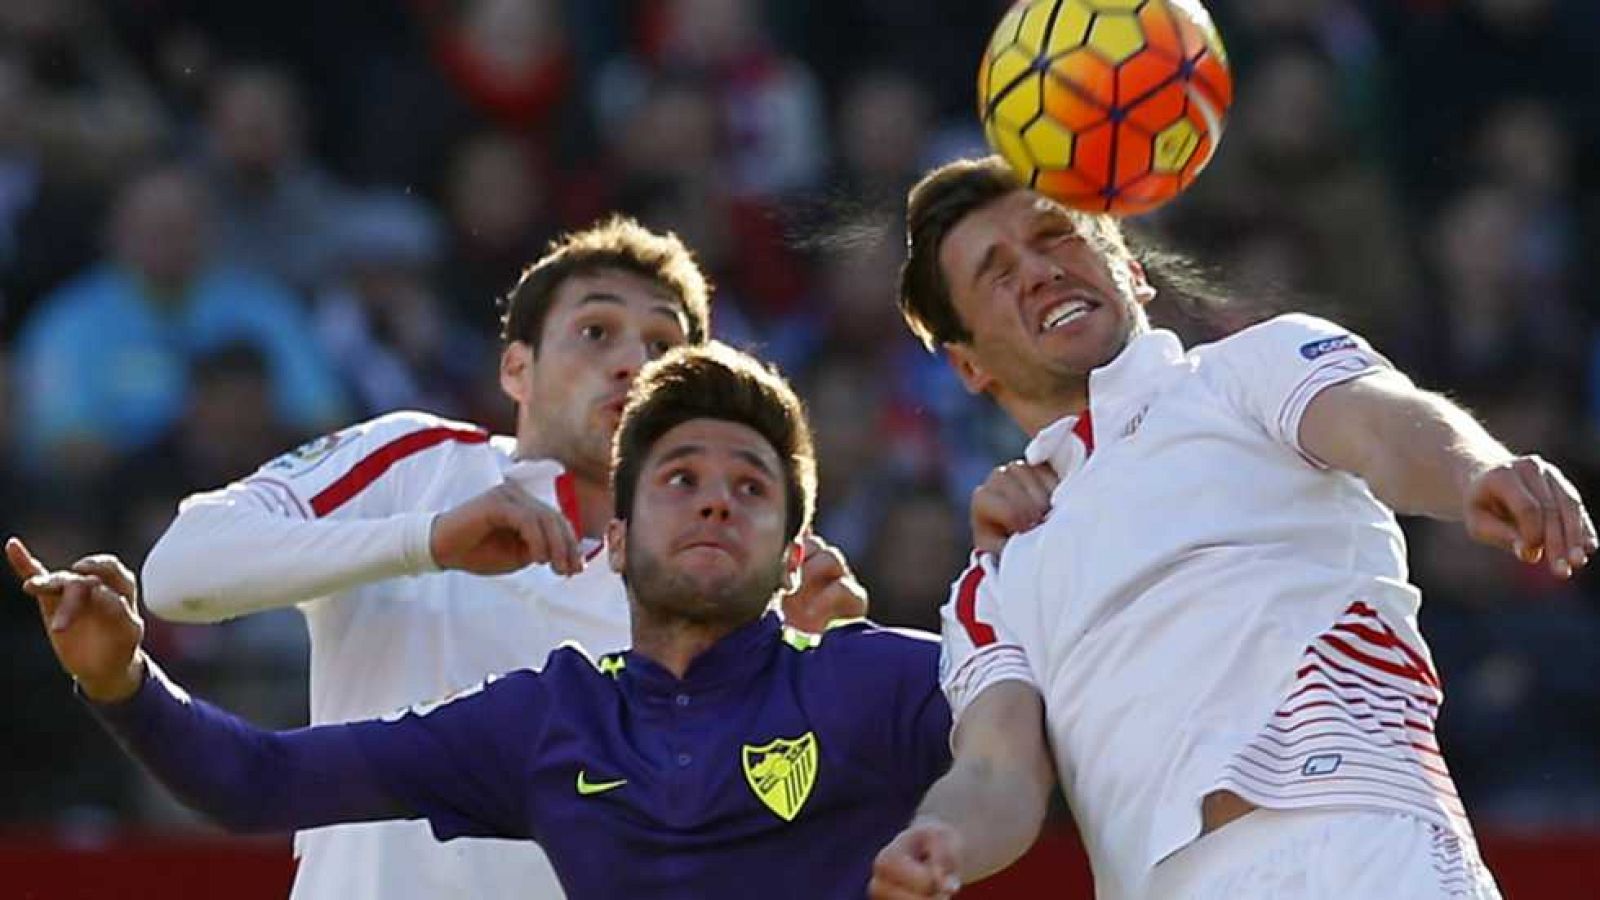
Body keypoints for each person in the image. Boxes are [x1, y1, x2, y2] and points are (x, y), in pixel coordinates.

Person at [869, 156, 1597, 900]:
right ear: (966, 366)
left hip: (1364, 844)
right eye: (996, 271)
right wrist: (945, 836)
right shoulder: (992, 581)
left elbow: (1381, 424)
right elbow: (996, 770)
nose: (1038, 271)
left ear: (1130, 265)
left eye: (1056, 236)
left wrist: (1475, 470)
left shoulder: (1248, 369)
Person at [9, 342, 949, 900]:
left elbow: (1061, 725)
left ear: (794, 555)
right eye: (680, 480)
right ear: (611, 542)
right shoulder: (549, 719)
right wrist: (121, 683)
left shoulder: (879, 681)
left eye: (751, 487)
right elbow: (257, 782)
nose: (714, 504)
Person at [134, 216, 865, 900]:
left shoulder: (720, 573)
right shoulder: (418, 467)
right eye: (596, 331)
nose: (632, 364)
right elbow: (175, 576)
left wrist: (800, 679)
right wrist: (425, 541)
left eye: (662, 347)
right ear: (516, 368)